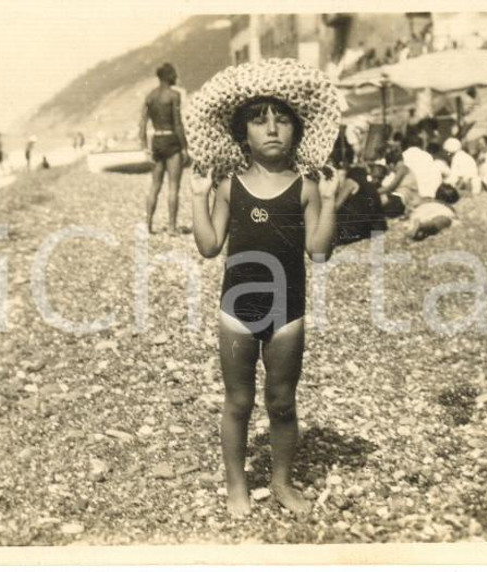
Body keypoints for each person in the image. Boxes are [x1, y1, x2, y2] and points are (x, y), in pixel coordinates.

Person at [186, 59, 342, 518]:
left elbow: (318, 251)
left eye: (282, 119)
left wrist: (331, 201)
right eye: (259, 120)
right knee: (238, 401)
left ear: (296, 129)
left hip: (288, 311)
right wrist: (197, 195)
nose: (272, 128)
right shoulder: (229, 186)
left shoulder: (308, 186)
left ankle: (281, 481)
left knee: (282, 402)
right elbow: (210, 246)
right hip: (236, 309)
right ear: (242, 134)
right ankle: (236, 484)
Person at [139, 63, 190, 235]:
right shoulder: (174, 95)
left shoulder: (150, 96)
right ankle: (171, 227)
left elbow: (142, 124)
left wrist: (145, 147)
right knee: (174, 186)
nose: (176, 76)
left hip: (157, 140)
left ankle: (147, 225)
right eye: (174, 74)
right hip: (171, 140)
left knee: (155, 185)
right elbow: (178, 124)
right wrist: (185, 148)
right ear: (169, 76)